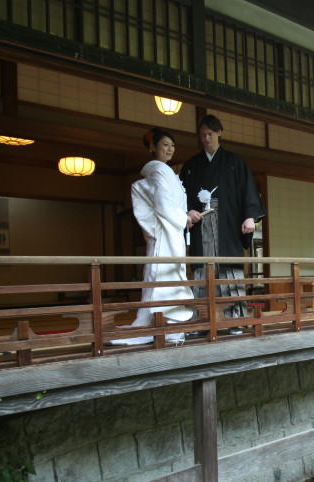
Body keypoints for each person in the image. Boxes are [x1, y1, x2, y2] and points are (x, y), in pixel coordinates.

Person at [179, 114, 265, 331]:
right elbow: (181, 196)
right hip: (201, 225)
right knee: (203, 271)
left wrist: (249, 217)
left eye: (210, 133)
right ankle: (201, 321)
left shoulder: (235, 162)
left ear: (219, 133)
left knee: (228, 270)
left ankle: (234, 320)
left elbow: (248, 191)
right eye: (203, 135)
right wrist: (187, 212)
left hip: (227, 223)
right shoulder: (191, 165)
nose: (206, 138)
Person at [109, 128, 193, 345]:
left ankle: (166, 325)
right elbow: (163, 204)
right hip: (165, 234)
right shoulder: (159, 171)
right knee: (160, 276)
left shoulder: (166, 172)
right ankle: (156, 324)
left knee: (167, 276)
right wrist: (183, 218)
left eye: (172, 145)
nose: (170, 149)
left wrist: (184, 217)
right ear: (152, 147)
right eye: (165, 144)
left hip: (171, 233)